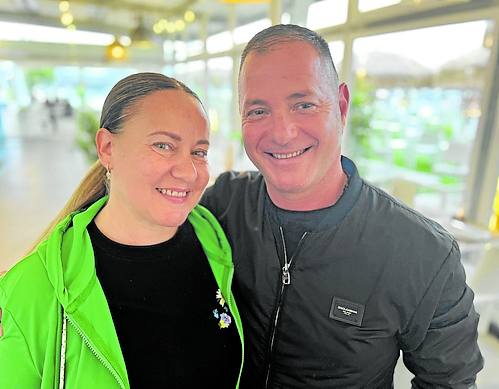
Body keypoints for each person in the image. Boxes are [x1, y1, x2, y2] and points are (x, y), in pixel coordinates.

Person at [201, 24, 483, 388]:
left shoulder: (422, 253)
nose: (282, 131)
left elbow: (450, 382)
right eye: (258, 111)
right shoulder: (224, 205)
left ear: (341, 105)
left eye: (304, 104)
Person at [0, 73, 244, 388]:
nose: (189, 171)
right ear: (107, 147)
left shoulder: (215, 243)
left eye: (199, 151)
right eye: (164, 145)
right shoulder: (33, 288)